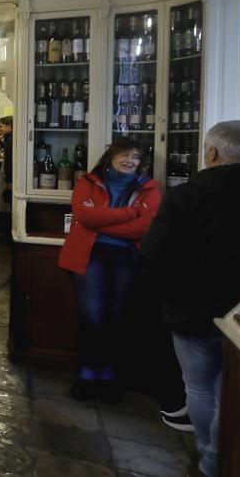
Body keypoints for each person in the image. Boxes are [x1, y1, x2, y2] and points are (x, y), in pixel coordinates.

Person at [142, 121, 240, 477]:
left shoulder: (187, 195)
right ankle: (224, 458)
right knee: (230, 390)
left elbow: (153, 253)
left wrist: (172, 288)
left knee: (200, 387)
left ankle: (210, 457)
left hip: (195, 304)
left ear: (211, 153)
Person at [57, 137, 161, 404]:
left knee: (118, 316)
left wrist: (99, 222)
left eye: (136, 157)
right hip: (90, 255)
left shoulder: (150, 188)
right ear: (111, 157)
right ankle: (88, 375)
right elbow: (83, 215)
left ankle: (108, 376)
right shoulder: (88, 182)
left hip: (127, 256)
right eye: (125, 155)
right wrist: (129, 214)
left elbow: (147, 227)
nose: (130, 161)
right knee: (93, 315)